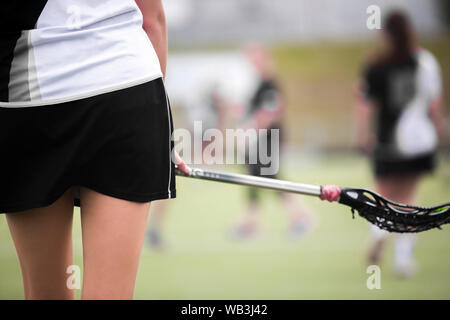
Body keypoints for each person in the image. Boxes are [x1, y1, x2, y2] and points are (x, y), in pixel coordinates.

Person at [0, 0, 189, 299]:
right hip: (126, 89)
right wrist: (160, 132)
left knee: (46, 293)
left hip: (31, 98)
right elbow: (152, 19)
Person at [356, 11, 445, 277]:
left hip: (388, 141)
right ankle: (403, 260)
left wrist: (362, 135)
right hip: (419, 141)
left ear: (385, 35)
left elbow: (365, 105)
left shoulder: (375, 65)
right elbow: (434, 103)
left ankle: (379, 233)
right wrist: (438, 130)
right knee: (407, 201)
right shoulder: (424, 62)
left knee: (383, 198)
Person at [231, 44, 316, 240]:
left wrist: (250, 131)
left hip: (267, 139)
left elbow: (271, 113)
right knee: (256, 179)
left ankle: (301, 217)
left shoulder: (270, 85)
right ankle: (251, 223)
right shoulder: (259, 85)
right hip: (258, 140)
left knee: (269, 179)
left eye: (257, 60)